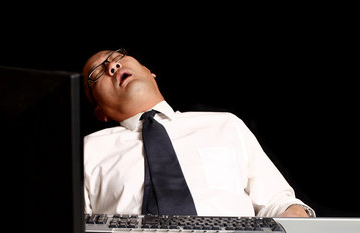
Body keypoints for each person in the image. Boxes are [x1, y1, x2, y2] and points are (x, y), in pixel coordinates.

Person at [82, 48, 315, 218]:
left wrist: (294, 216)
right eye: (96, 73)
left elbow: (277, 202)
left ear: (149, 72)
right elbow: (70, 231)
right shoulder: (86, 150)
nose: (112, 67)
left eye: (117, 57)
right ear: (100, 112)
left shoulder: (225, 125)